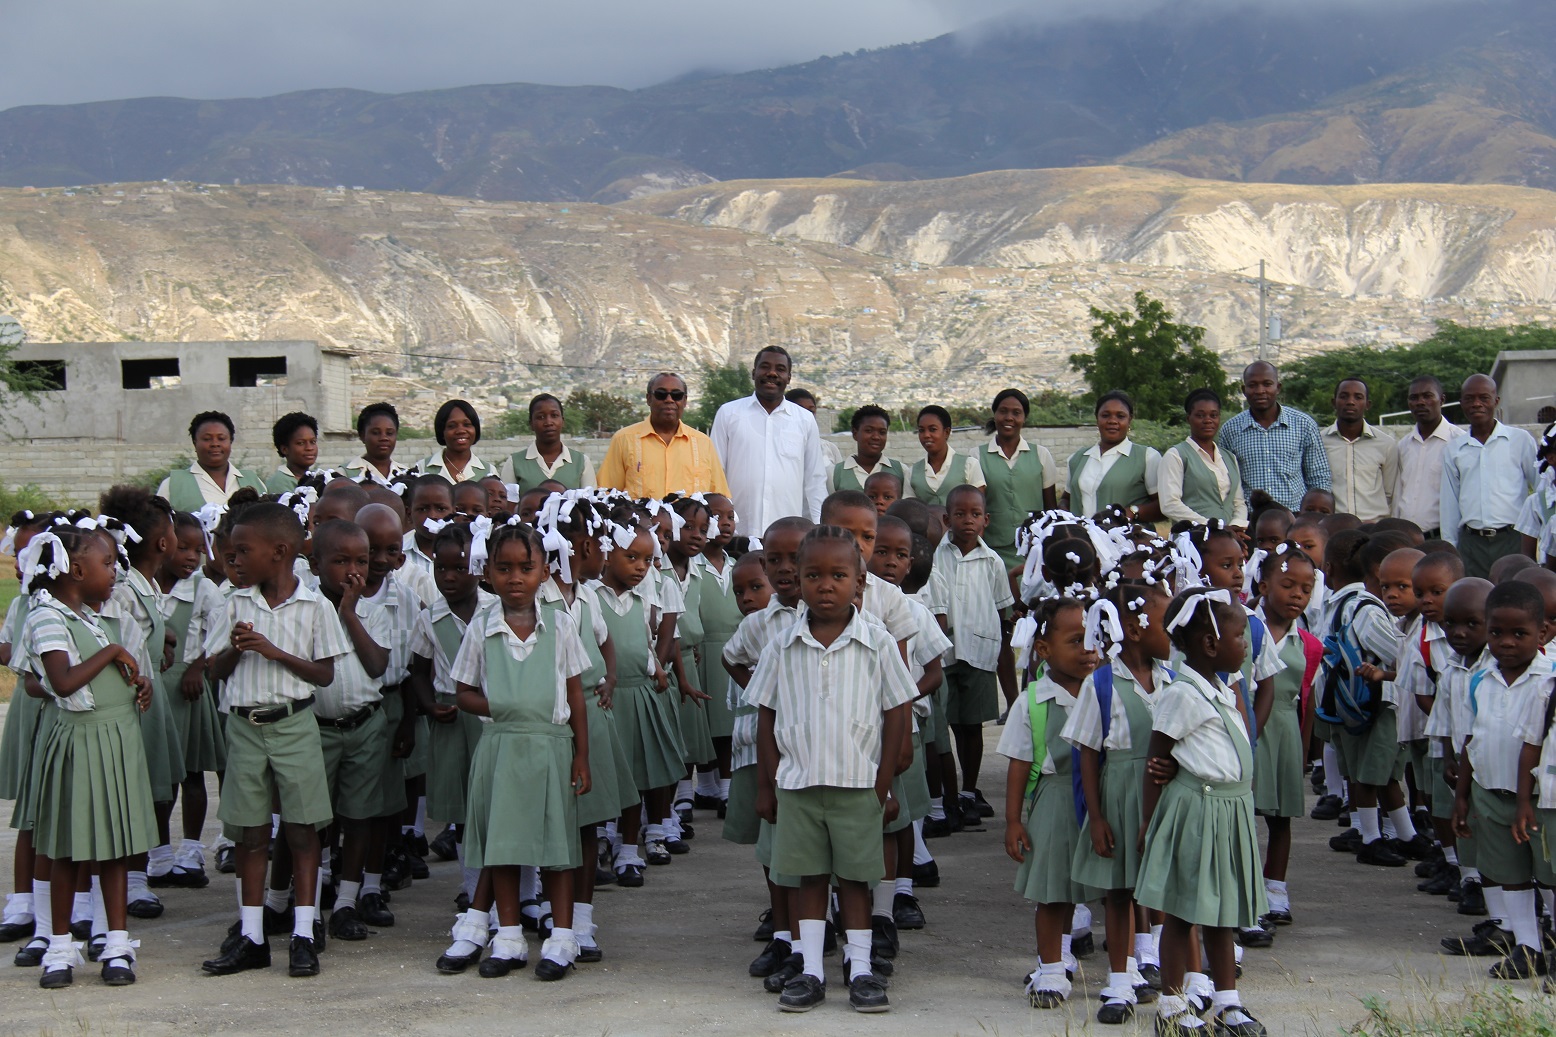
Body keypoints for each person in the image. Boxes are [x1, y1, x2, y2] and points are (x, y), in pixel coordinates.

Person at [752, 526, 917, 1013]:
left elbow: (897, 713)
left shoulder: (878, 643)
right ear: (797, 581)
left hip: (857, 785)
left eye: (838, 575)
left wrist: (883, 785)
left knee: (854, 882)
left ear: (859, 582)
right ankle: (809, 971)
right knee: (808, 879)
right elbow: (765, 712)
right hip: (799, 787)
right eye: (813, 575)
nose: (826, 585)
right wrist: (768, 783)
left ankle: (861, 969)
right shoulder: (782, 646)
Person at [199, 502, 350, 979]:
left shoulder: (315, 605)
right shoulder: (234, 603)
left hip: (295, 725)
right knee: (249, 834)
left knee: (303, 831)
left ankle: (304, 932)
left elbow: (324, 674)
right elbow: (213, 670)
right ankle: (252, 935)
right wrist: (235, 650)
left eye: (244, 551)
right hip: (245, 726)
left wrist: (273, 651)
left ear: (279, 552)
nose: (235, 560)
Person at [453, 518, 591, 981]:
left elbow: (575, 695)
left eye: (526, 568)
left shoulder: (560, 624)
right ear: (487, 572)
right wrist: (501, 705)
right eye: (504, 568)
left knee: (556, 847)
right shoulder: (481, 628)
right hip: (502, 749)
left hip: (552, 748)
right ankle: (508, 936)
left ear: (544, 572)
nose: (515, 578)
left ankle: (562, 938)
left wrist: (581, 755)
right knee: (504, 847)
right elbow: (462, 691)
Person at [20, 524, 157, 988]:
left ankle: (116, 945)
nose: (115, 570)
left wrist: (137, 685)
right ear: (76, 569)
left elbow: (106, 675)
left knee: (115, 846)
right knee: (68, 849)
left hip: (115, 739)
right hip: (79, 742)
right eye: (107, 563)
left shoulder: (90, 617)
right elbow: (60, 681)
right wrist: (116, 651)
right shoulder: (45, 615)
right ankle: (60, 948)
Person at [1135, 590, 1269, 1037]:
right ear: (1210, 645)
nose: (1246, 645)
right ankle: (1172, 1006)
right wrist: (1150, 826)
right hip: (1197, 812)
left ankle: (1228, 1003)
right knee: (1183, 913)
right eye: (1238, 636)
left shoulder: (1221, 688)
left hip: (1229, 811)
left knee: (1223, 912)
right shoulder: (1184, 694)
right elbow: (1157, 760)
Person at [1064, 582, 1173, 1023]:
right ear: (1134, 627)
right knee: (1119, 892)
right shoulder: (1101, 683)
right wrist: (1095, 817)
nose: (1176, 633)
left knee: (1166, 888)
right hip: (1119, 794)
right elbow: (1088, 753)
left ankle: (1173, 978)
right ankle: (1120, 982)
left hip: (1165, 796)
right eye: (1168, 624)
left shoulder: (1173, 677)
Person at [1002, 596, 1099, 1010]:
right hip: (1056, 802)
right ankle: (1051, 969)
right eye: (1076, 641)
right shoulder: (1033, 700)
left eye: (1096, 639)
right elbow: (1020, 764)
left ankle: (1134, 967)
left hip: (1101, 804)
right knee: (1053, 892)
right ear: (1043, 649)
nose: (1089, 650)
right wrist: (1012, 821)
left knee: (1116, 892)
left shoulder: (1107, 691)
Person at [1457, 581, 1553, 980]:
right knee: (1508, 874)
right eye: (1496, 633)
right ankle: (1527, 948)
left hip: (1540, 801)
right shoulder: (1479, 679)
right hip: (1491, 792)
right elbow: (1469, 739)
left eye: (1519, 634)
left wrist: (1528, 800)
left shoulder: (1547, 681)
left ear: (1544, 633)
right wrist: (1462, 796)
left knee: (1549, 876)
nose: (1506, 643)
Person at [929, 485, 1014, 826]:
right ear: (947, 519)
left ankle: (969, 788)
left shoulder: (993, 561)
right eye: (960, 514)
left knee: (973, 726)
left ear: (986, 520)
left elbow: (1002, 608)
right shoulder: (937, 556)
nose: (968, 520)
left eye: (975, 514)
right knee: (949, 724)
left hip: (980, 652)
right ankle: (949, 793)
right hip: (946, 651)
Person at [710, 348, 827, 535]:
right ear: (754, 372)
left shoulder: (804, 420)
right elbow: (715, 474)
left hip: (787, 532)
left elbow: (815, 479)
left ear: (789, 377)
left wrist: (819, 526)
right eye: (765, 367)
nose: (772, 373)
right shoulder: (729, 413)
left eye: (780, 369)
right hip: (738, 531)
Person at [1441, 374, 1539, 579]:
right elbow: (1450, 502)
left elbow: (1541, 488)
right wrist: (1450, 546)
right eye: (1469, 398)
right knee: (1475, 601)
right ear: (1461, 403)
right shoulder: (1454, 449)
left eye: (1484, 398)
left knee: (1513, 598)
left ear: (1496, 401)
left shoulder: (1520, 441)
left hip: (1512, 539)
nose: (1477, 404)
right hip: (1471, 543)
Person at [1218, 361, 1332, 512]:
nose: (1260, 391)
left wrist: (1315, 516)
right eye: (1252, 385)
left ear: (1278, 388)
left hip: (1295, 516)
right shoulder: (1230, 429)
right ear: (1244, 390)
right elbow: (1226, 482)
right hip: (1250, 519)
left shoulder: (1303, 424)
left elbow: (1318, 477)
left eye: (1267, 384)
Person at [598, 373, 730, 500]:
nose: (669, 400)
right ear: (649, 398)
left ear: (684, 401)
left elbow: (719, 496)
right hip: (643, 523)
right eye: (661, 394)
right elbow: (607, 494)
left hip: (689, 523)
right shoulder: (624, 440)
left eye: (676, 395)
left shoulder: (703, 443)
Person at [982, 389, 1059, 568]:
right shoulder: (977, 457)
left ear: (1024, 418)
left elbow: (1050, 508)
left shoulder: (1041, 455)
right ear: (994, 415)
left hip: (1033, 551)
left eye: (1016, 413)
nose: (1009, 417)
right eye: (1003, 411)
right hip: (993, 552)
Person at [1064, 390, 1162, 522]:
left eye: (1120, 416)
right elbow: (1067, 498)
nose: (1112, 421)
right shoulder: (1078, 458)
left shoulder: (1147, 457)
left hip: (1127, 540)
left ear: (1130, 420)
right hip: (1083, 540)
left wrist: (1133, 512)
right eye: (1105, 415)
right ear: (1097, 418)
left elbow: (1163, 505)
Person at [1160, 389, 1247, 528]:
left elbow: (1238, 502)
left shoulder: (1229, 457)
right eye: (1200, 415)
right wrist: (1211, 526)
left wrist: (1236, 526)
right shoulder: (1176, 455)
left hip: (1230, 540)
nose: (1208, 420)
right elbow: (1169, 504)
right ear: (1188, 418)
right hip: (1193, 539)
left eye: (1214, 415)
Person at [1390, 376, 1465, 537]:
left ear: (1442, 400)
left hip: (1441, 538)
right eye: (1414, 398)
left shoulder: (1459, 442)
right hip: (1405, 538)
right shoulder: (1403, 446)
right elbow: (1398, 494)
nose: (1420, 402)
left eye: (1427, 396)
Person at [157, 412, 268, 511]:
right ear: (195, 443)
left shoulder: (253, 480)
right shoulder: (172, 485)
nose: (215, 444)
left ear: (231, 441)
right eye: (207, 439)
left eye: (221, 438)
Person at [1321, 378, 1396, 522]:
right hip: (1333, 528)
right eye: (1344, 396)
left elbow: (1390, 493)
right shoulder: (1320, 442)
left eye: (1358, 397)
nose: (1350, 401)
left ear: (1367, 404)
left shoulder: (1386, 444)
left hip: (1373, 529)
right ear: (1333, 402)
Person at [499, 394, 596, 494]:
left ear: (562, 421)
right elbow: (507, 505)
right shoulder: (514, 463)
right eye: (540, 417)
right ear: (531, 424)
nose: (548, 422)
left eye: (554, 415)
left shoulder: (581, 462)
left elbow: (589, 506)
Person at [907, 406, 985, 507]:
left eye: (933, 429)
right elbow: (909, 510)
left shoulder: (969, 465)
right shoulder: (912, 472)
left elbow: (978, 508)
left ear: (947, 432)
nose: (926, 435)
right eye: (921, 430)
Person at [830, 405, 905, 494]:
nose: (876, 437)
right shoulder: (835, 473)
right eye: (869, 431)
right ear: (855, 433)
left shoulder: (901, 471)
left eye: (882, 432)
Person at [418, 399, 494, 484]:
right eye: (452, 426)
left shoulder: (489, 471)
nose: (461, 431)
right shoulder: (422, 468)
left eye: (467, 425)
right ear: (442, 431)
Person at [343, 402, 410, 487]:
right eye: (375, 433)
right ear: (362, 435)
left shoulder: (406, 474)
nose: (384, 438)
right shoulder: (344, 475)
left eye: (389, 433)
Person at [785, 388, 843, 466]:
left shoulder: (829, 449)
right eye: (800, 410)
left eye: (811, 411)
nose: (806, 416)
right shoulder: (775, 449)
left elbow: (838, 477)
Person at [265, 413, 319, 495]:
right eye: (300, 443)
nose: (309, 448)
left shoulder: (317, 478)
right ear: (284, 449)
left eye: (313, 442)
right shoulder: (279, 483)